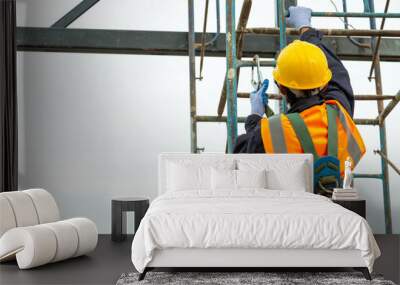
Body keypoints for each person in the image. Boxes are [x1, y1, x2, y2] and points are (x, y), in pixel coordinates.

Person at [234, 6, 365, 186]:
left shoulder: (271, 132)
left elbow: (238, 157)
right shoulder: (340, 112)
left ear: (281, 89)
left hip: (294, 212)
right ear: (325, 82)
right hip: (339, 207)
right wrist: (305, 28)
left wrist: (255, 117)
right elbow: (337, 71)